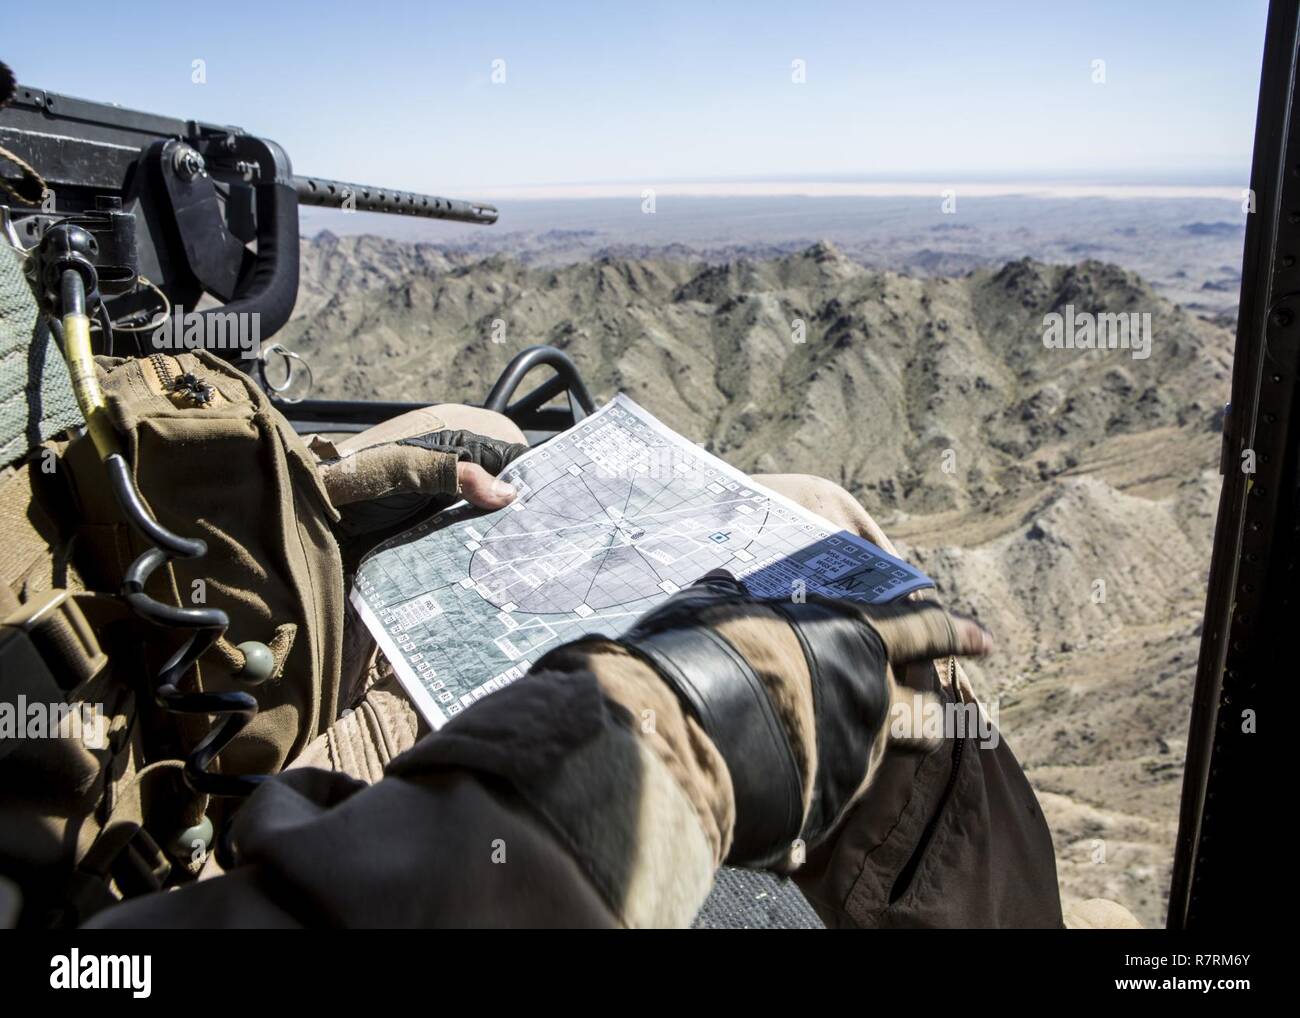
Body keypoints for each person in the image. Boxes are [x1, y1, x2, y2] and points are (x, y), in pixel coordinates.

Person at [85, 406, 1083, 929]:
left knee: (805, 510)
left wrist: (319, 504)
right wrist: (683, 728)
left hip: (192, 691)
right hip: (206, 842)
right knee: (853, 618)